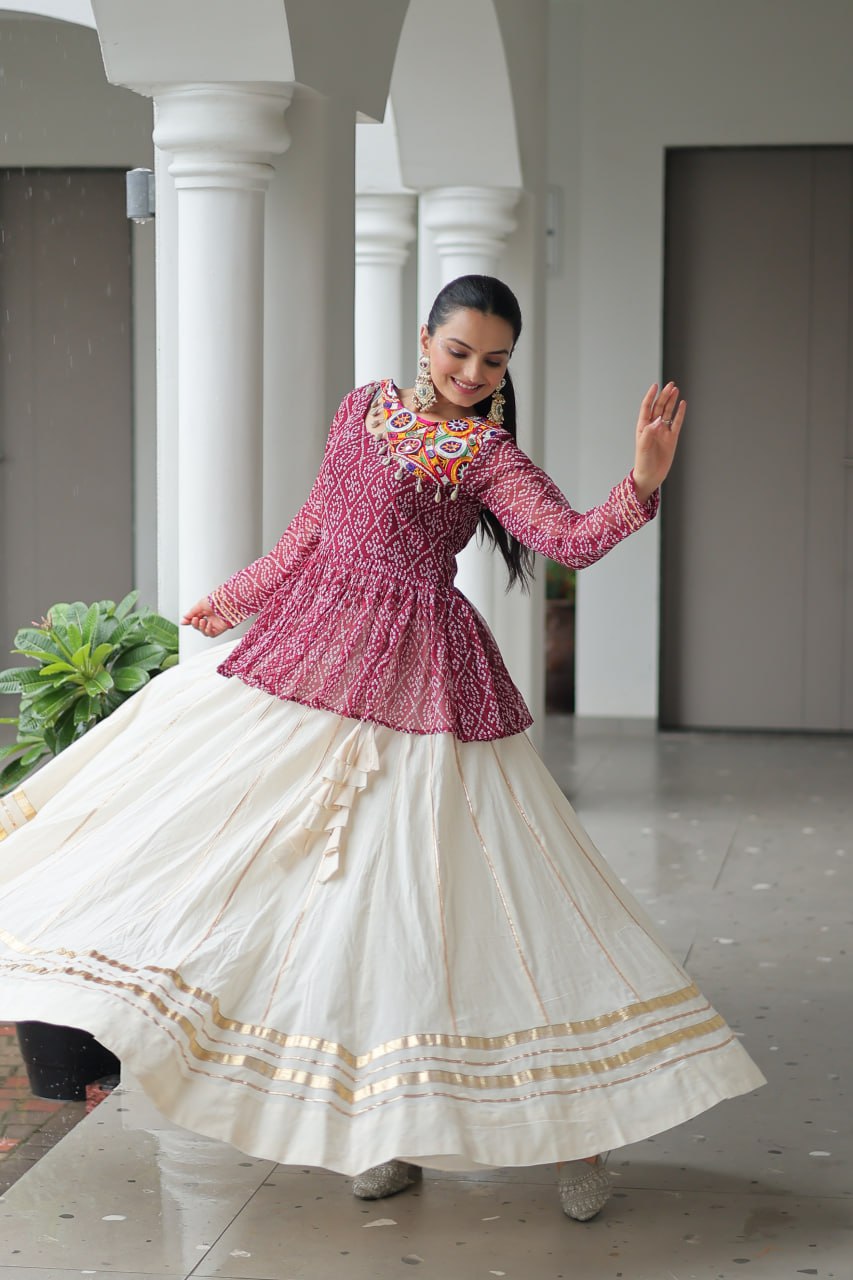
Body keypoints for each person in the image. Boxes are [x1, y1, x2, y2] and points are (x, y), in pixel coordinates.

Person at [0, 275, 764, 1223]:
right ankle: (381, 1129)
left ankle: (581, 1134)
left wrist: (641, 482)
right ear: (422, 338)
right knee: (345, 905)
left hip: (427, 685)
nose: (473, 373)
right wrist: (236, 599)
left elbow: (568, 539)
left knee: (490, 900)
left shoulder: (486, 453)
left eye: (493, 362)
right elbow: (314, 531)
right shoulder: (362, 407)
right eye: (458, 352)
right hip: (315, 658)